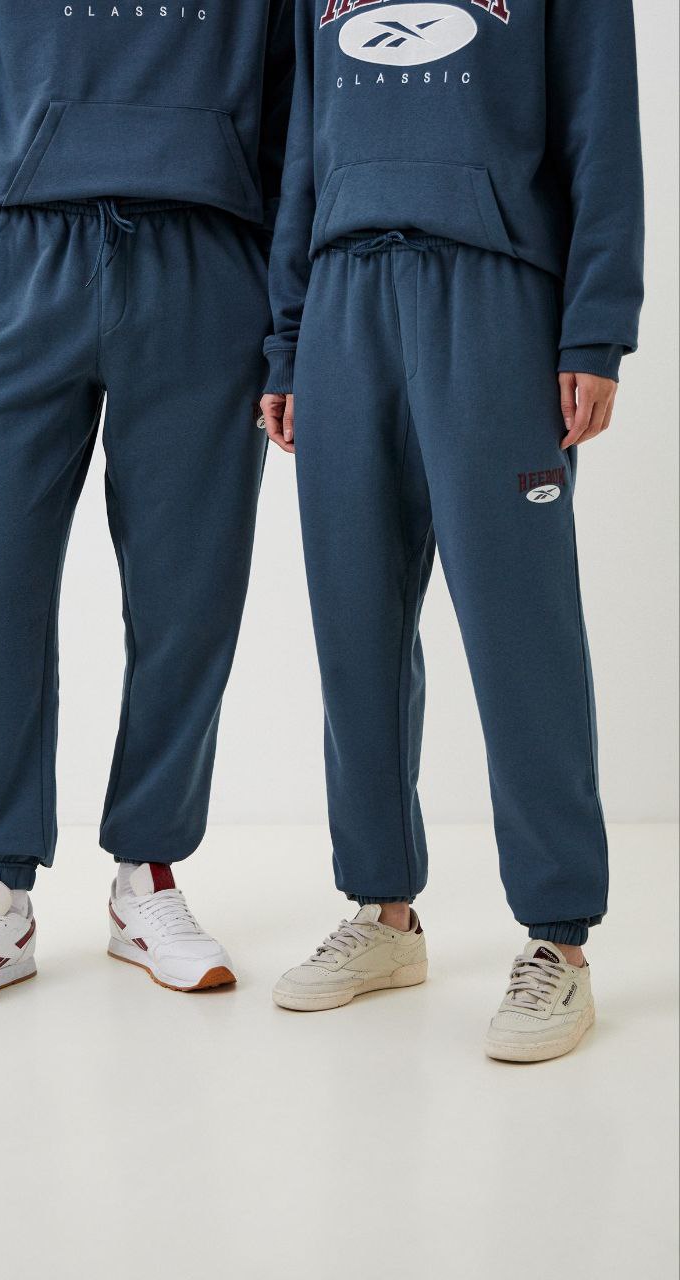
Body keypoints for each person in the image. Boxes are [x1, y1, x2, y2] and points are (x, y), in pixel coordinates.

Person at [260, 0, 644, 1061]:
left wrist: (595, 329)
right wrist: (286, 339)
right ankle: (382, 910)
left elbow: (601, 132)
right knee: (354, 622)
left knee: (519, 629)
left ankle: (558, 940)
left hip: (494, 293)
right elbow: (301, 151)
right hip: (342, 298)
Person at [0, 0, 294, 1015]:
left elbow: (295, 113)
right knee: (2, 586)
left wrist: (286, 318)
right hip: (24, 256)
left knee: (187, 593)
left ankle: (146, 876)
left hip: (208, 259)